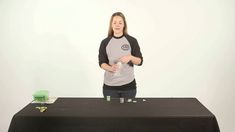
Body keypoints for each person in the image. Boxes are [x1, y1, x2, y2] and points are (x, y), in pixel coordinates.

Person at [98, 12, 143, 99]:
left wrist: (130, 57)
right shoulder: (105, 42)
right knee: (111, 112)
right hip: (109, 88)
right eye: (114, 22)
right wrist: (110, 68)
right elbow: (101, 62)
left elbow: (140, 61)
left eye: (120, 22)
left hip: (129, 87)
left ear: (124, 25)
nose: (117, 25)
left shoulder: (132, 41)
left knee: (128, 112)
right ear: (111, 25)